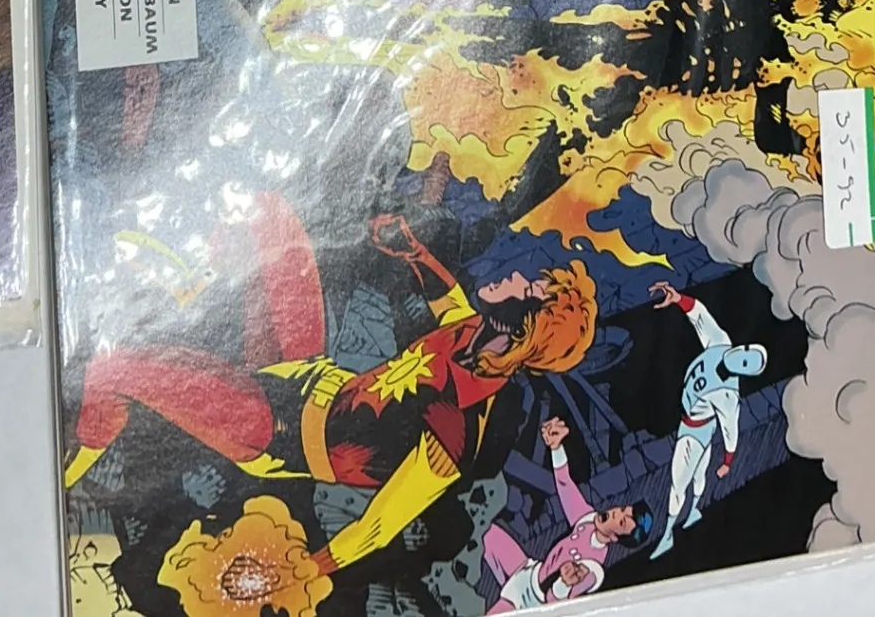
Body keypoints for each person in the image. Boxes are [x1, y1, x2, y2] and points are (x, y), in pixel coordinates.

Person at [66, 201, 598, 585]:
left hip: (272, 431)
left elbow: (378, 526)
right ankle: (194, 287)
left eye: (532, 290)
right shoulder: (472, 329)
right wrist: (411, 250)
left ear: (525, 330)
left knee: (114, 369)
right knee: (269, 214)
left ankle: (74, 461)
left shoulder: (456, 430)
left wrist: (303, 571)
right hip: (303, 368)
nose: (519, 278)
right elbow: (448, 299)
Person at [482, 418, 654, 609]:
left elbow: (553, 602)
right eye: (622, 510)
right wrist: (556, 448)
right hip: (527, 570)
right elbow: (565, 485)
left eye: (621, 522)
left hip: (529, 602)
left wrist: (564, 584)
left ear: (615, 538)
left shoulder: (592, 569)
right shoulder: (586, 521)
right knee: (484, 530)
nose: (615, 514)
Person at [648, 281, 766, 557]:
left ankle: (667, 533)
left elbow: (731, 430)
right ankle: (693, 512)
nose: (741, 357)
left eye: (747, 363)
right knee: (697, 473)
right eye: (747, 351)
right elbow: (700, 316)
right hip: (694, 421)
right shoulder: (720, 343)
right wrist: (678, 298)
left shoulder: (728, 395)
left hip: (694, 431)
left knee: (679, 482)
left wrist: (727, 462)